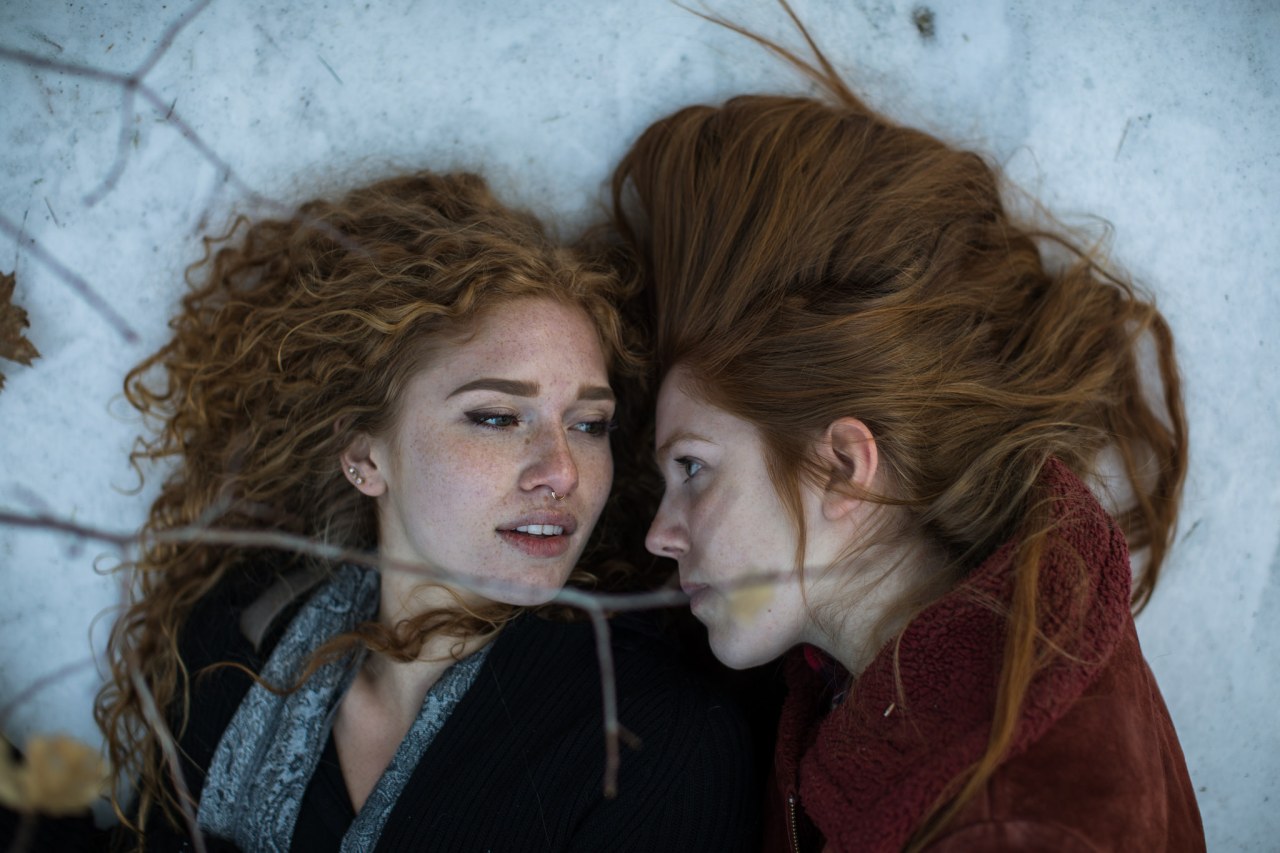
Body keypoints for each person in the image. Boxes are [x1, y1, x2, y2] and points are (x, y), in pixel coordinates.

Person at [608, 18, 1205, 853]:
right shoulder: (916, 675)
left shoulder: (1014, 823)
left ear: (846, 468)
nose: (660, 533)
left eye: (695, 470)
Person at [90, 171, 754, 851]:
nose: (562, 469)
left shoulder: (654, 740)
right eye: (496, 417)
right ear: (365, 456)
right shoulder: (239, 643)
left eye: (589, 424)